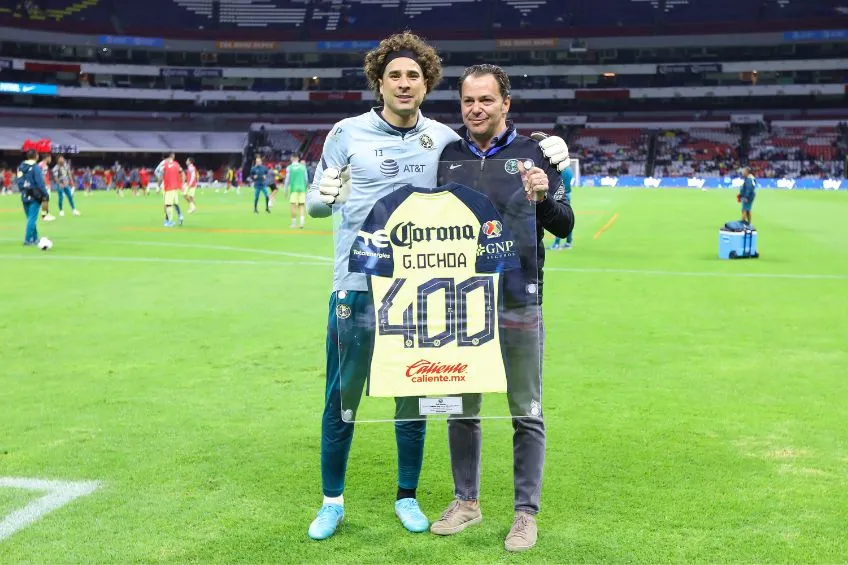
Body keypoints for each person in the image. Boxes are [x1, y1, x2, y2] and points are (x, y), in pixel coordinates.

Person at [305, 32, 571, 542]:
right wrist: (320, 197)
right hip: (358, 287)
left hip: (425, 291)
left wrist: (555, 154)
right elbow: (321, 204)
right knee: (345, 397)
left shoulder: (442, 142)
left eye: (414, 76)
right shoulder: (351, 133)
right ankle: (332, 502)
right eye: (394, 76)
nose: (404, 84)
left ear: (426, 84)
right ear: (378, 83)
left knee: (416, 394)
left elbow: (525, 191)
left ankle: (413, 497)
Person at [431, 63, 574, 552]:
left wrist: (542, 196)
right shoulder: (448, 155)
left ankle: (524, 514)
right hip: (461, 303)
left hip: (519, 299)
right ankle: (466, 502)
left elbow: (563, 224)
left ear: (505, 103)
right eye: (469, 101)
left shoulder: (536, 153)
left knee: (525, 411)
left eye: (486, 100)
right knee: (461, 410)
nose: (476, 109)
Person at [18, 148, 50, 246]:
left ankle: (35, 238)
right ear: (36, 156)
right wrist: (45, 194)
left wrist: (25, 189)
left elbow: (19, 182)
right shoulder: (36, 168)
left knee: (30, 218)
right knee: (32, 219)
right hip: (35, 196)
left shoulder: (21, 167)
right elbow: (40, 183)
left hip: (24, 196)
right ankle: (28, 240)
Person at [549, 166, 574, 249]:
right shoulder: (569, 170)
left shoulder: (559, 169)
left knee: (558, 219)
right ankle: (568, 242)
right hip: (568, 194)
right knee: (567, 218)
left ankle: (556, 244)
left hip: (560, 195)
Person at [159, 152, 184, 227]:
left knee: (167, 204)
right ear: (172, 156)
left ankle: (169, 222)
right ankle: (180, 215)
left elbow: (160, 175)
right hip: (175, 187)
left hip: (168, 187)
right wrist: (182, 184)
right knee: (175, 203)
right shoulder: (176, 164)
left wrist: (158, 185)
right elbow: (182, 173)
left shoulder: (164, 164)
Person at [284, 154, 309, 228]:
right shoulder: (303, 167)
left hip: (294, 189)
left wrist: (285, 190)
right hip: (302, 189)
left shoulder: (289, 168)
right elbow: (306, 179)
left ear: (291, 158)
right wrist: (307, 189)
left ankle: (294, 223)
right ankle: (301, 223)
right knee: (301, 206)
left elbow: (287, 180)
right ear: (298, 158)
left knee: (293, 206)